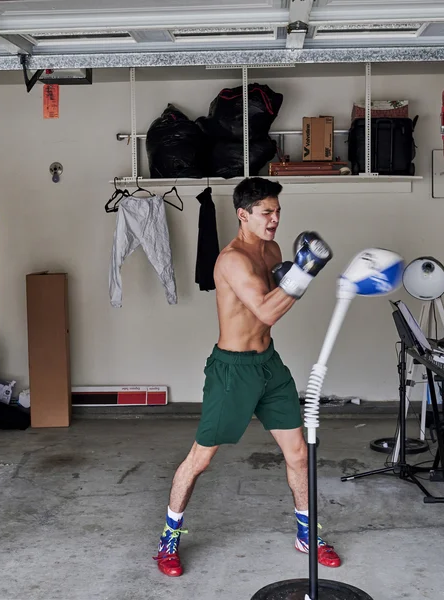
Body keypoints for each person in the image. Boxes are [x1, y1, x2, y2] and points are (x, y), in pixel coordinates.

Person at [154, 177, 341, 577]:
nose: (275, 220)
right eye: (266, 213)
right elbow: (268, 311)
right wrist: (304, 273)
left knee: (298, 453)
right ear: (243, 214)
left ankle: (306, 534)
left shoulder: (271, 249)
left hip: (268, 366)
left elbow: (278, 296)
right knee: (200, 460)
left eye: (278, 212)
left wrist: (292, 274)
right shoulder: (231, 260)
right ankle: (169, 538)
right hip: (232, 371)